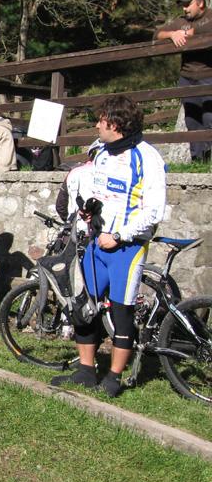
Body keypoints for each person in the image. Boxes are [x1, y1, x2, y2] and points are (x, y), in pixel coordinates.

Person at [50, 96, 167, 398]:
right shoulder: (101, 152)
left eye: (100, 120)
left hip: (127, 248)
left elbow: (153, 211)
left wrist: (120, 235)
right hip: (96, 242)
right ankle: (86, 371)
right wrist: (92, 213)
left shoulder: (147, 157)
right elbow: (101, 192)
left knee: (121, 311)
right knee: (82, 306)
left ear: (114, 124)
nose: (96, 125)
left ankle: (114, 377)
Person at [155, 0, 212, 162]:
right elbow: (157, 34)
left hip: (209, 75)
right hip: (187, 77)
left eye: (188, 4)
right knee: (192, 121)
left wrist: (186, 34)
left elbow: (205, 29)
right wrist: (172, 33)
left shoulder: (210, 16)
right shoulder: (181, 21)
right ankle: (198, 161)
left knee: (210, 118)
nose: (184, 8)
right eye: (183, 5)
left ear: (200, 2)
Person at [54, 139, 103, 222]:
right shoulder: (113, 174)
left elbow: (60, 206)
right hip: (104, 229)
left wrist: (69, 220)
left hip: (76, 227)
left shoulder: (74, 173)